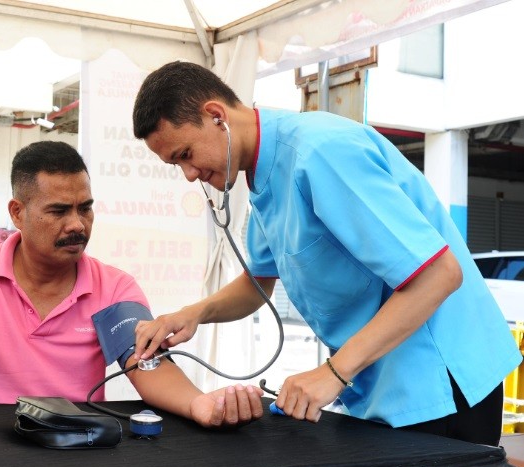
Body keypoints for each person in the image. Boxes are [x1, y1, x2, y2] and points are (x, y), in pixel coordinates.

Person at [130, 60, 522, 446]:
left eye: (184, 154)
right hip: (381, 387)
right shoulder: (262, 180)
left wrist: (332, 373)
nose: (189, 174)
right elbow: (258, 284)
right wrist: (192, 314)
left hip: (439, 381)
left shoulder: (319, 153)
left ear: (216, 116)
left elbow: (439, 275)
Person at [0, 140, 264, 431]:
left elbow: (146, 363)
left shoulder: (114, 288)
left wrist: (199, 404)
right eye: (59, 211)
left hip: (74, 446)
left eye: (86, 208)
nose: (77, 224)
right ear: (18, 213)